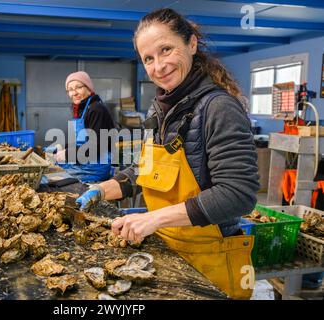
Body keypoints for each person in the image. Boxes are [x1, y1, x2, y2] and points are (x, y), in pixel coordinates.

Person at [75, 8, 259, 299]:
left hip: (211, 263)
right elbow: (146, 171)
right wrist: (100, 190)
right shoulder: (160, 109)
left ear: (192, 44)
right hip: (168, 255)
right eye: (148, 58)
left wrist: (153, 219)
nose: (158, 66)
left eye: (166, 50)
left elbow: (239, 194)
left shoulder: (218, 108)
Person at [55, 71, 115, 183]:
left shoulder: (97, 109)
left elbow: (96, 146)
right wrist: (64, 146)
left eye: (78, 87)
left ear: (88, 88)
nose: (74, 93)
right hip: (84, 163)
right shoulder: (83, 109)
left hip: (94, 169)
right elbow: (82, 141)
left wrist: (67, 154)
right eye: (70, 89)